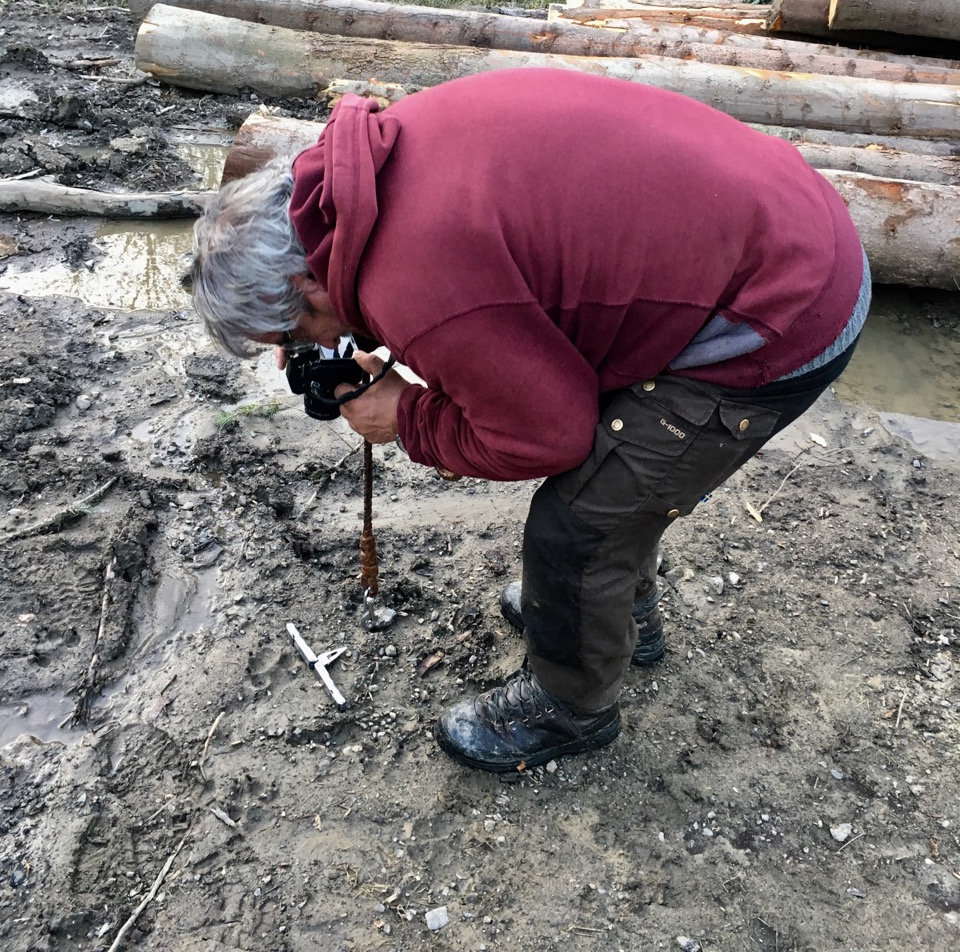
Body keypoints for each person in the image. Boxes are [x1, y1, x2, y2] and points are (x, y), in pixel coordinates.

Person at [188, 69, 870, 774]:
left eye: (294, 336)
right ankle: (617, 618)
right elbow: (496, 280)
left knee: (577, 524)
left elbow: (546, 435)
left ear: (305, 282)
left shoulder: (418, 277)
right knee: (620, 465)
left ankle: (572, 708)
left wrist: (407, 415)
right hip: (783, 218)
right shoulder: (361, 170)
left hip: (783, 314)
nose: (301, 352)